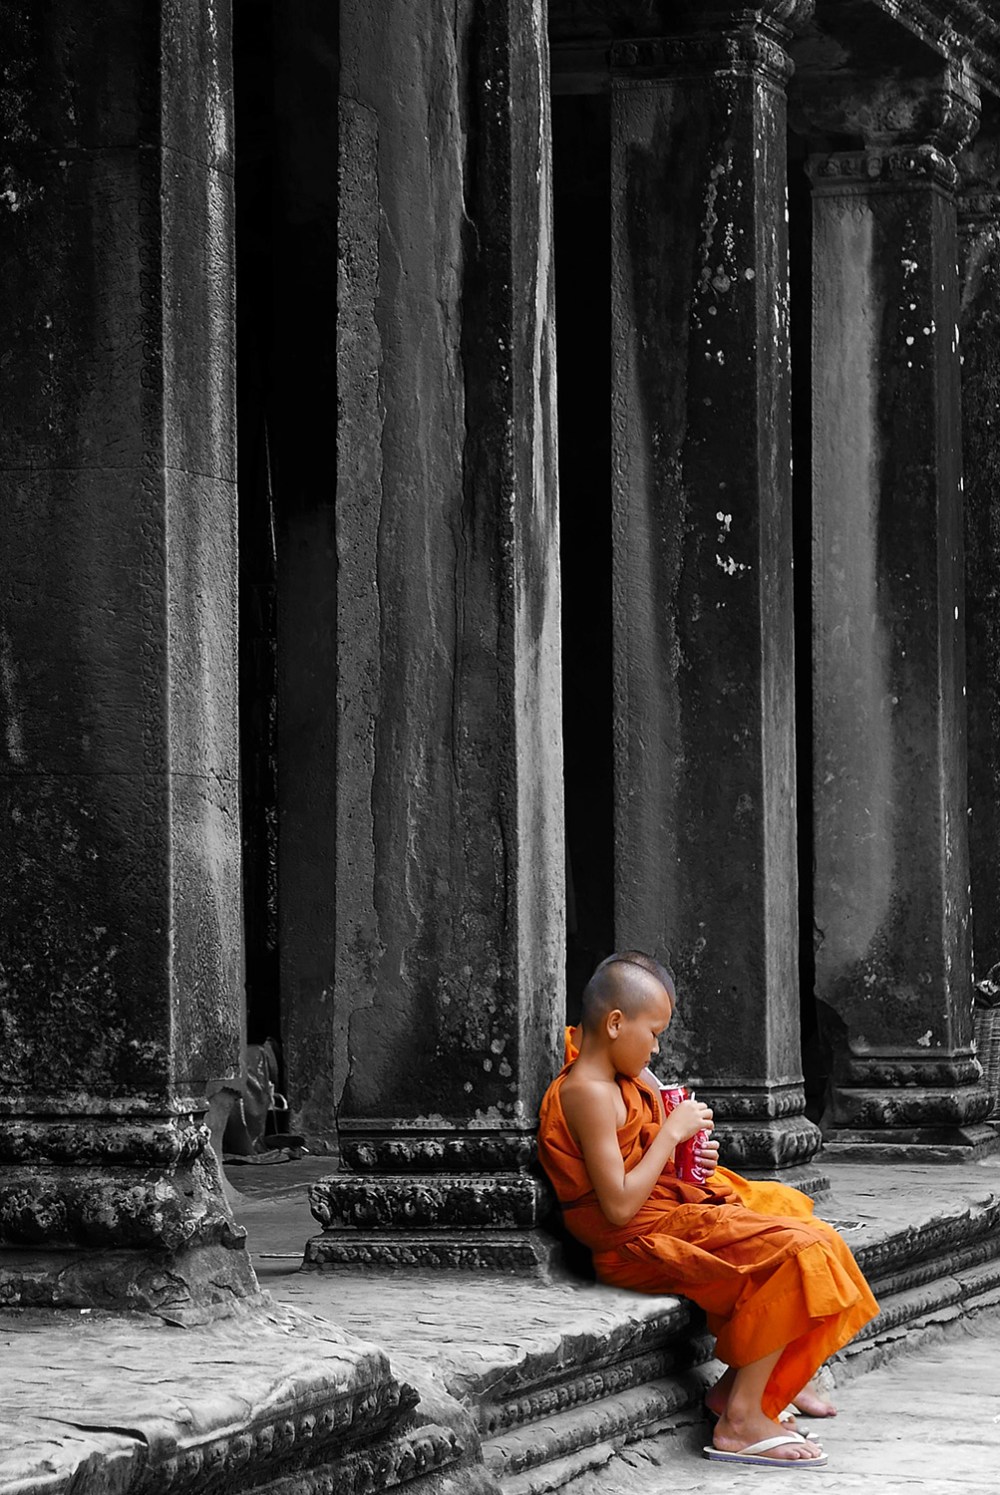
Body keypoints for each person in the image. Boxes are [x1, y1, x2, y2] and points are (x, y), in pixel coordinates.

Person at [538, 951, 879, 1469]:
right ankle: (740, 1422)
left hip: (667, 1211)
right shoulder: (588, 1091)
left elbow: (643, 1159)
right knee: (803, 1254)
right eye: (654, 1034)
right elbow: (619, 1207)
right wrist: (669, 1136)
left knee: (802, 1224)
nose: (656, 1048)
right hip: (636, 1241)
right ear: (615, 1024)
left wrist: (687, 1157)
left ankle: (739, 1390)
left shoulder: (623, 1078)